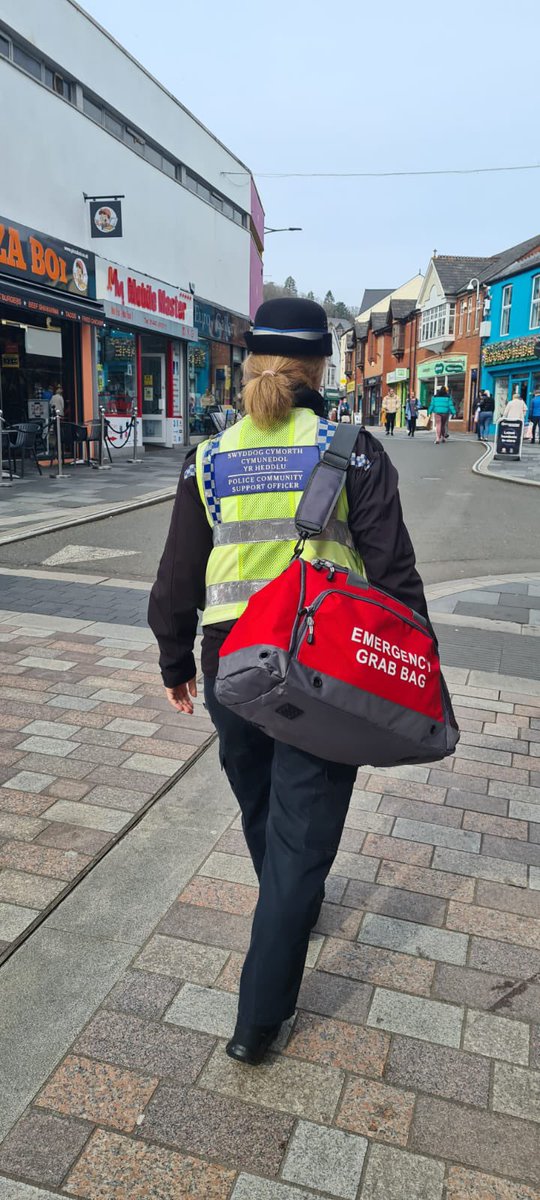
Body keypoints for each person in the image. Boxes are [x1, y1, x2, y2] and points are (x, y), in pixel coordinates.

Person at [148, 297, 430, 1066]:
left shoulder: (209, 454)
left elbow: (178, 572)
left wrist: (176, 661)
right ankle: (259, 1018)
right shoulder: (354, 450)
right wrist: (416, 671)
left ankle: (288, 905)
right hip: (320, 672)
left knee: (262, 805)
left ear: (251, 366)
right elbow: (394, 572)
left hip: (229, 664)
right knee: (301, 834)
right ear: (319, 368)